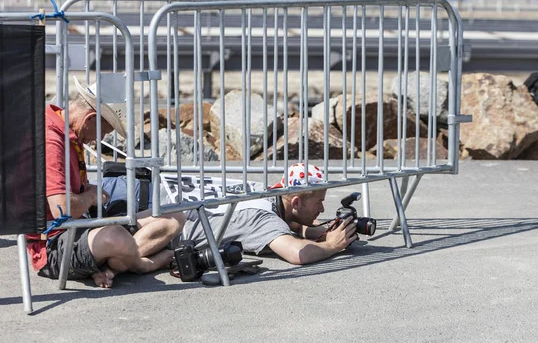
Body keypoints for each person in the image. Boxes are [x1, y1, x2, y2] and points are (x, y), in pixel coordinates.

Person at [26, 76, 185, 288]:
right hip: (55, 244)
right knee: (115, 235)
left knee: (174, 216)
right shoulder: (51, 140)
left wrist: (89, 192)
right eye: (104, 132)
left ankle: (111, 268)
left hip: (81, 227)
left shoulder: (69, 132)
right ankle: (141, 265)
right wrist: (91, 196)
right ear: (90, 118)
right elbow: (62, 209)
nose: (98, 140)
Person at [171, 163, 358, 265]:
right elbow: (298, 254)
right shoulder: (265, 220)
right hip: (173, 236)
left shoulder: (263, 192)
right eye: (319, 203)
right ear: (296, 202)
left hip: (173, 212)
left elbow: (291, 220)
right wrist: (332, 244)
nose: (322, 210)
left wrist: (313, 231)